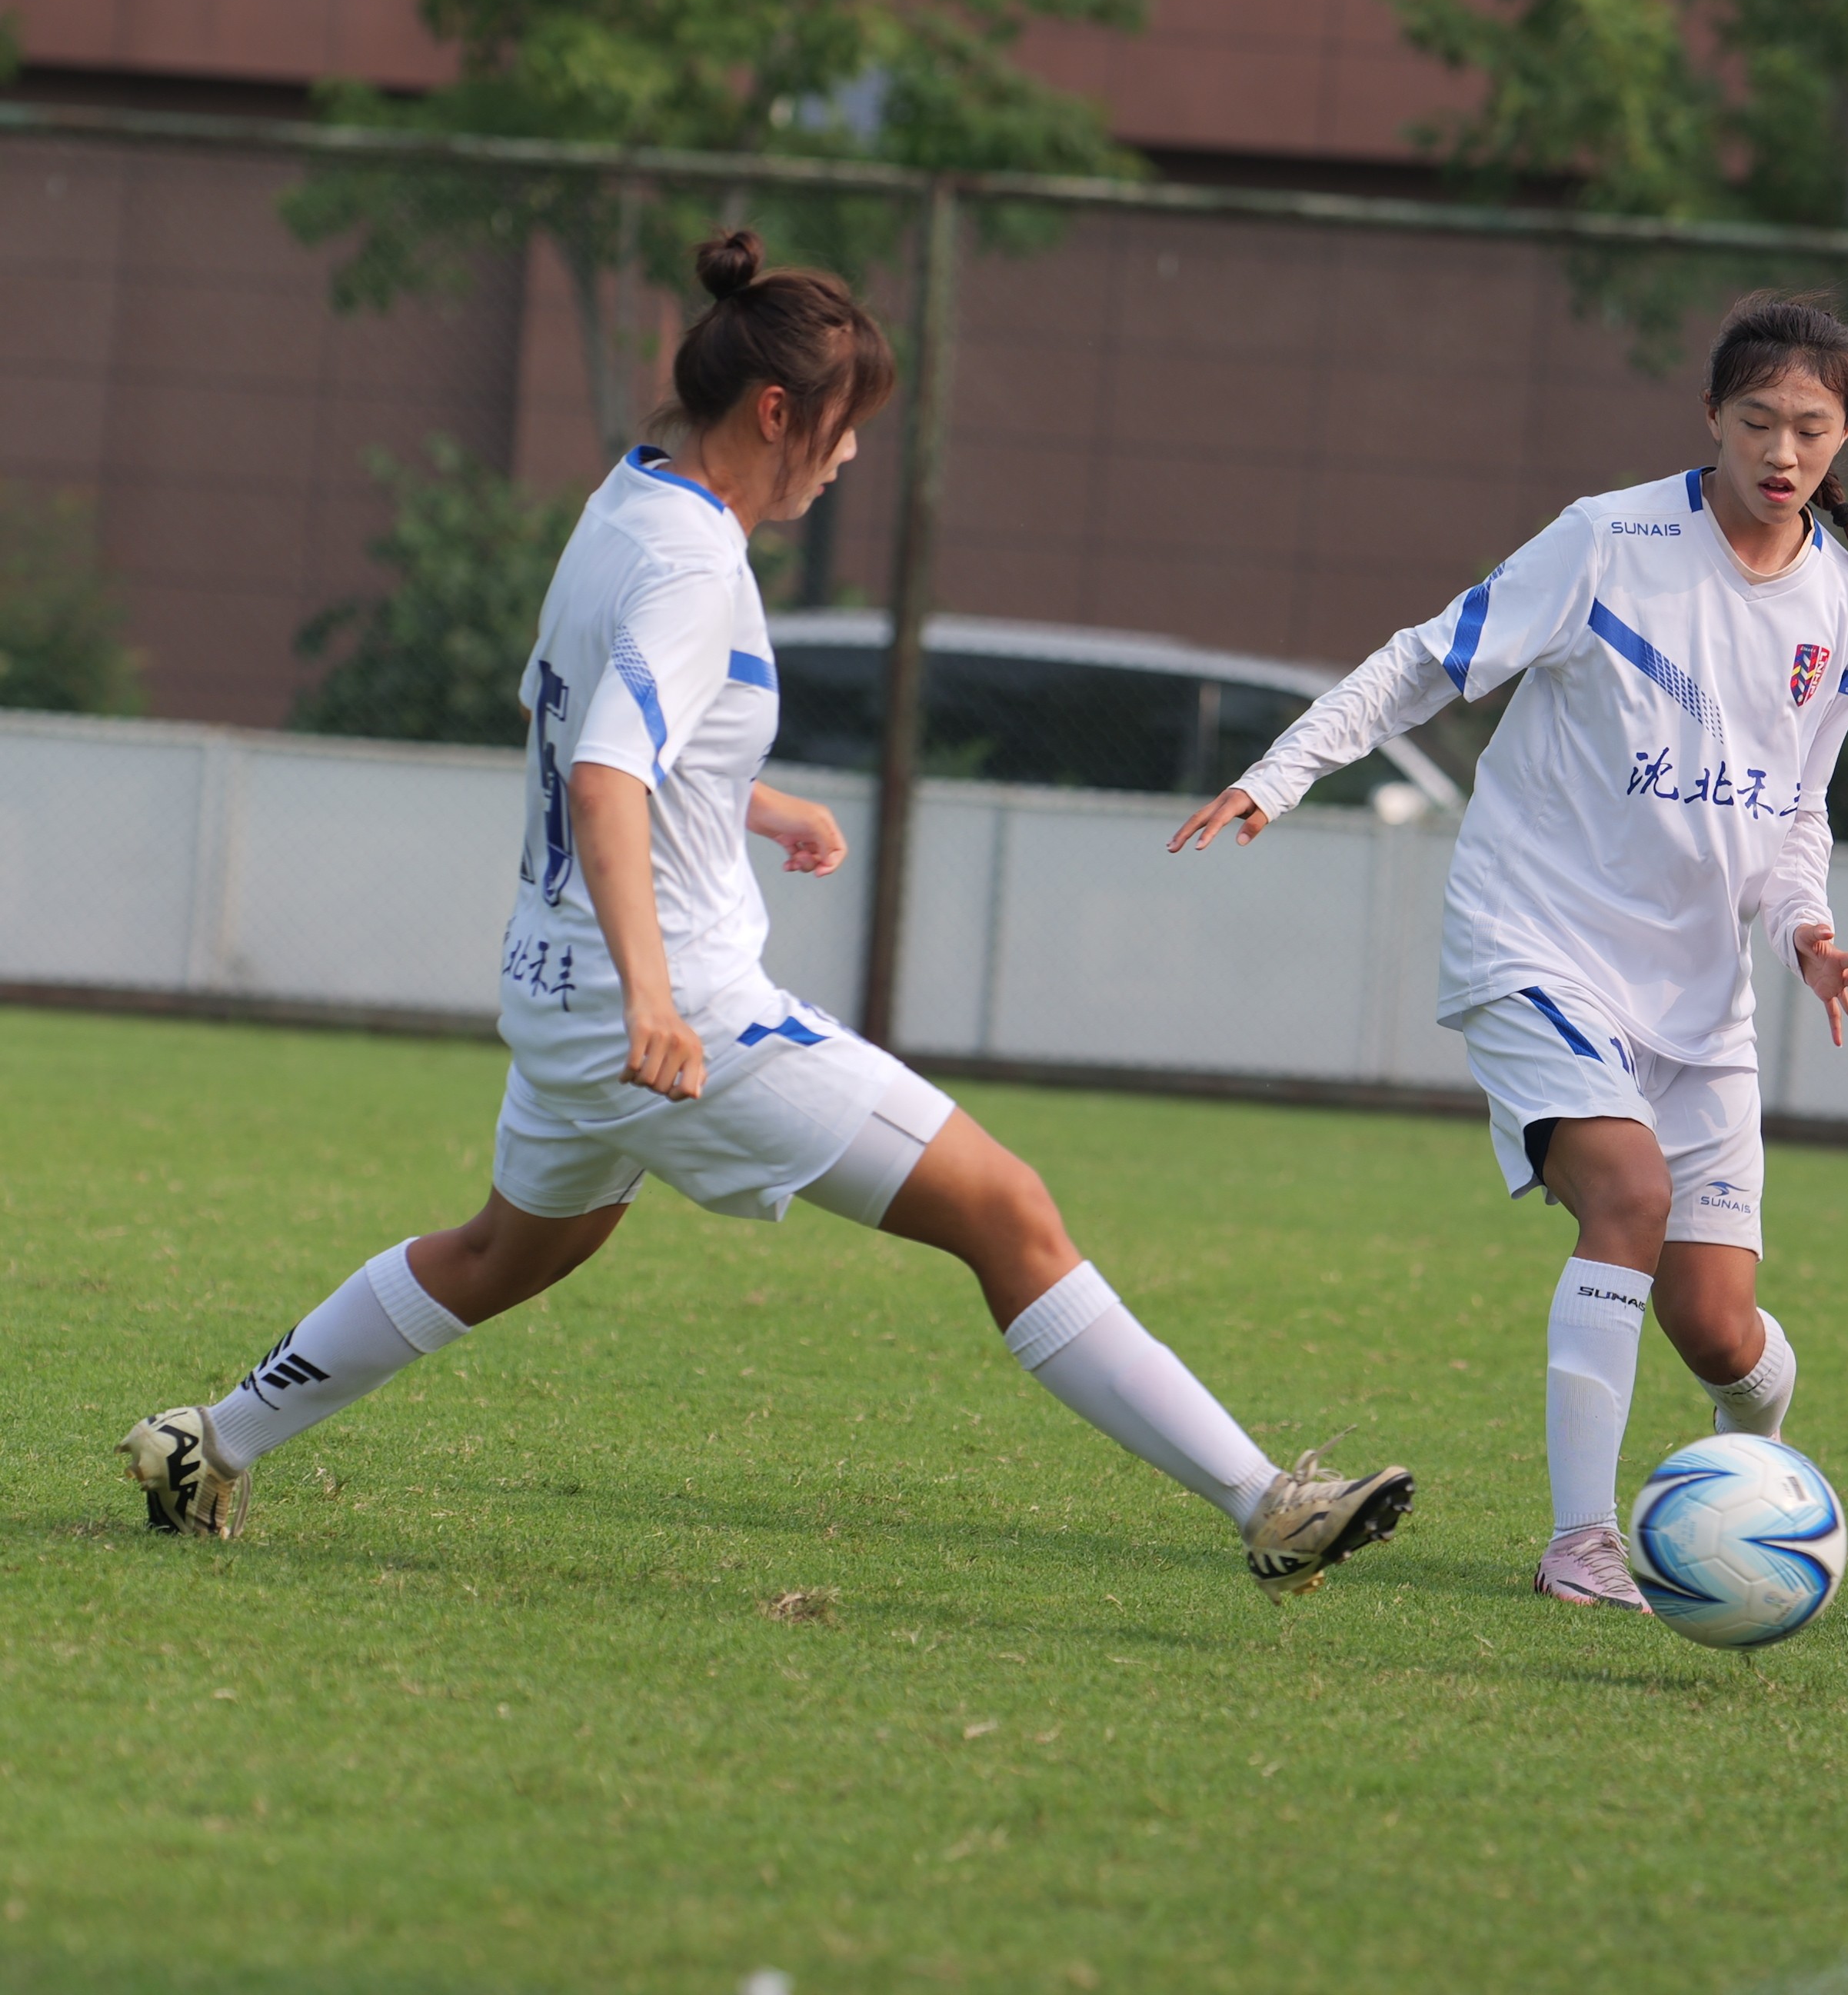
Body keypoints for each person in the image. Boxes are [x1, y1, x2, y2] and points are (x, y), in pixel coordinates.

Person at [122, 230, 1412, 1600]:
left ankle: (208, 1439)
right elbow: (609, 772)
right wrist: (655, 998)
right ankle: (1265, 1502)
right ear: (778, 412)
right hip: (673, 1006)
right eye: (845, 430)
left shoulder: (625, 503)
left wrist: (746, 794)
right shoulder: (695, 565)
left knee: (501, 1251)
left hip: (557, 989)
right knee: (1008, 1209)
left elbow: (569, 724)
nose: (849, 458)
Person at [1170, 295, 1848, 1610]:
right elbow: (1425, 661)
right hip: (1536, 940)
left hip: (1700, 991)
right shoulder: (1608, 539)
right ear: (1711, 418)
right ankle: (1580, 1544)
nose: (1780, 450)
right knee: (1622, 1192)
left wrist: (1808, 926)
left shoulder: (1846, 605)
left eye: (1809, 427)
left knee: (1718, 1328)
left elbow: (1800, 803)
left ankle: (1759, 1480)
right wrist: (1281, 775)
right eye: (1757, 421)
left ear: (1842, 435)